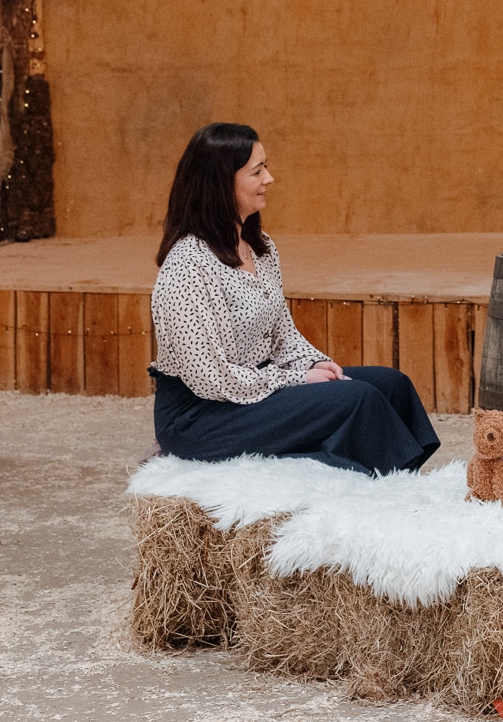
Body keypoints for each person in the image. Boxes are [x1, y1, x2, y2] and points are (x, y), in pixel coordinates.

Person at [151, 123, 439, 476]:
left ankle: (397, 486)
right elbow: (213, 379)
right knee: (355, 400)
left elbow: (283, 334)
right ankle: (391, 498)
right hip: (203, 416)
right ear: (221, 182)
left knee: (391, 385)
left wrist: (315, 366)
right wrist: (295, 380)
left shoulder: (261, 247)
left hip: (256, 387)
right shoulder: (187, 266)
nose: (269, 179)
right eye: (257, 172)